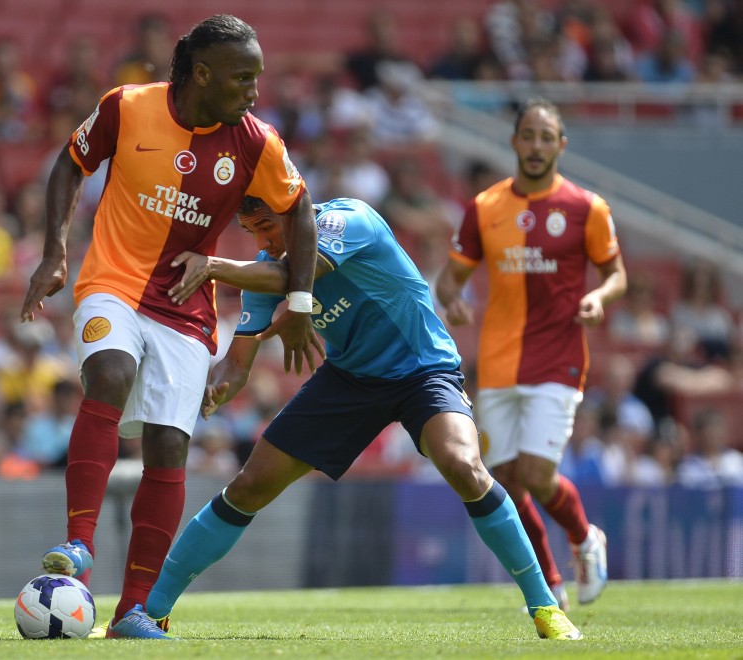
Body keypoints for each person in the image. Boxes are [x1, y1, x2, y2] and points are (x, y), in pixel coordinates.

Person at [111, 195, 582, 640]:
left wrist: (213, 266)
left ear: (293, 209)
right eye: (253, 232)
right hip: (350, 380)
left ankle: (545, 607)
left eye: (268, 227)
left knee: (464, 466)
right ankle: (151, 611)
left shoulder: (347, 221)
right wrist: (213, 389)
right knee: (249, 485)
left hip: (423, 370)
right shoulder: (264, 266)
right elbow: (238, 364)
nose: (265, 241)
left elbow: (298, 275)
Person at [19, 14, 321, 640]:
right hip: (113, 282)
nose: (254, 91)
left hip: (186, 307)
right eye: (242, 78)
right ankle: (78, 543)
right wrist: (55, 252)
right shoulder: (126, 106)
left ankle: (133, 611)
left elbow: (301, 214)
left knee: (168, 444)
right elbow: (70, 164)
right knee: (109, 371)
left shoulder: (258, 143)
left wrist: (298, 302)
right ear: (202, 74)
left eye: (257, 78)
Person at [436, 98, 628, 611]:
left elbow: (616, 275)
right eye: (528, 136)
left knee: (538, 475)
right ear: (514, 142)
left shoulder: (587, 208)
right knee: (506, 482)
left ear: (560, 145)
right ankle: (551, 586)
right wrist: (453, 300)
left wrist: (598, 298)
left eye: (547, 137)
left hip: (557, 359)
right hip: (499, 362)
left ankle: (585, 538)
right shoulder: (484, 208)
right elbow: (449, 279)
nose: (537, 146)